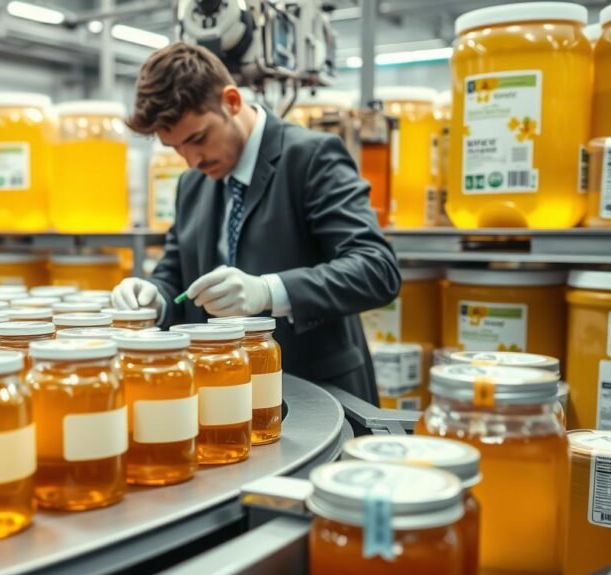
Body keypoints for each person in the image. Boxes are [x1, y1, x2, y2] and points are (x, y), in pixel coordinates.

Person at [111, 42, 401, 404]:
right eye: (176, 148)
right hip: (226, 397)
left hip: (318, 398)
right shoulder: (193, 184)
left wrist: (267, 291)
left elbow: (376, 269)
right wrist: (154, 299)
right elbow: (174, 276)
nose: (191, 160)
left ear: (231, 101)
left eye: (198, 138)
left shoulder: (311, 158)